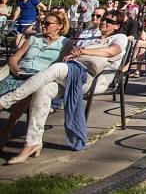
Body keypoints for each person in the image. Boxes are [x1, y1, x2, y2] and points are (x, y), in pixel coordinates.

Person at [0, 11, 127, 163]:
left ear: (117, 26)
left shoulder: (119, 37)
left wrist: (81, 51)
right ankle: (32, 142)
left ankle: (6, 101)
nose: (103, 22)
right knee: (43, 90)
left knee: (57, 68)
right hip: (72, 73)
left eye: (108, 20)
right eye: (102, 18)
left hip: (91, 79)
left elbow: (111, 51)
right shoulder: (91, 35)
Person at [0, 11, 71, 153]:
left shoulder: (66, 43)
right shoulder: (33, 38)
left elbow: (60, 67)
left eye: (47, 23)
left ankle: (6, 130)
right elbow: (14, 58)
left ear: (59, 26)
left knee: (27, 92)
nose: (42, 25)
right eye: (42, 22)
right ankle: (5, 132)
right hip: (20, 73)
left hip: (40, 77)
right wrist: (16, 69)